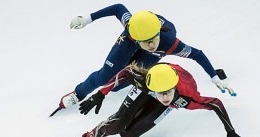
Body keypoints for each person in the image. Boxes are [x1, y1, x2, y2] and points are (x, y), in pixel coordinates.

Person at [54, 63, 251, 137]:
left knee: (128, 135)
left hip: (167, 86)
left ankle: (135, 113)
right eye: (161, 93)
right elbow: (126, 72)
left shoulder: (188, 98)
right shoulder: (146, 83)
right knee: (117, 126)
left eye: (168, 92)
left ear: (175, 88)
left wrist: (230, 132)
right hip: (150, 84)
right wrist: (100, 93)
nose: (164, 97)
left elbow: (216, 104)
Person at [58, 3, 236, 110]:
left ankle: (115, 84)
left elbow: (197, 54)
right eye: (146, 42)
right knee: (106, 76)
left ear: (159, 32)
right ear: (135, 37)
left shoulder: (170, 43)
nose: (152, 45)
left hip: (156, 43)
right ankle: (78, 93)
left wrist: (214, 77)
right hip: (129, 41)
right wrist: (87, 18)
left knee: (124, 80)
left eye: (154, 39)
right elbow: (118, 8)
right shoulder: (130, 26)